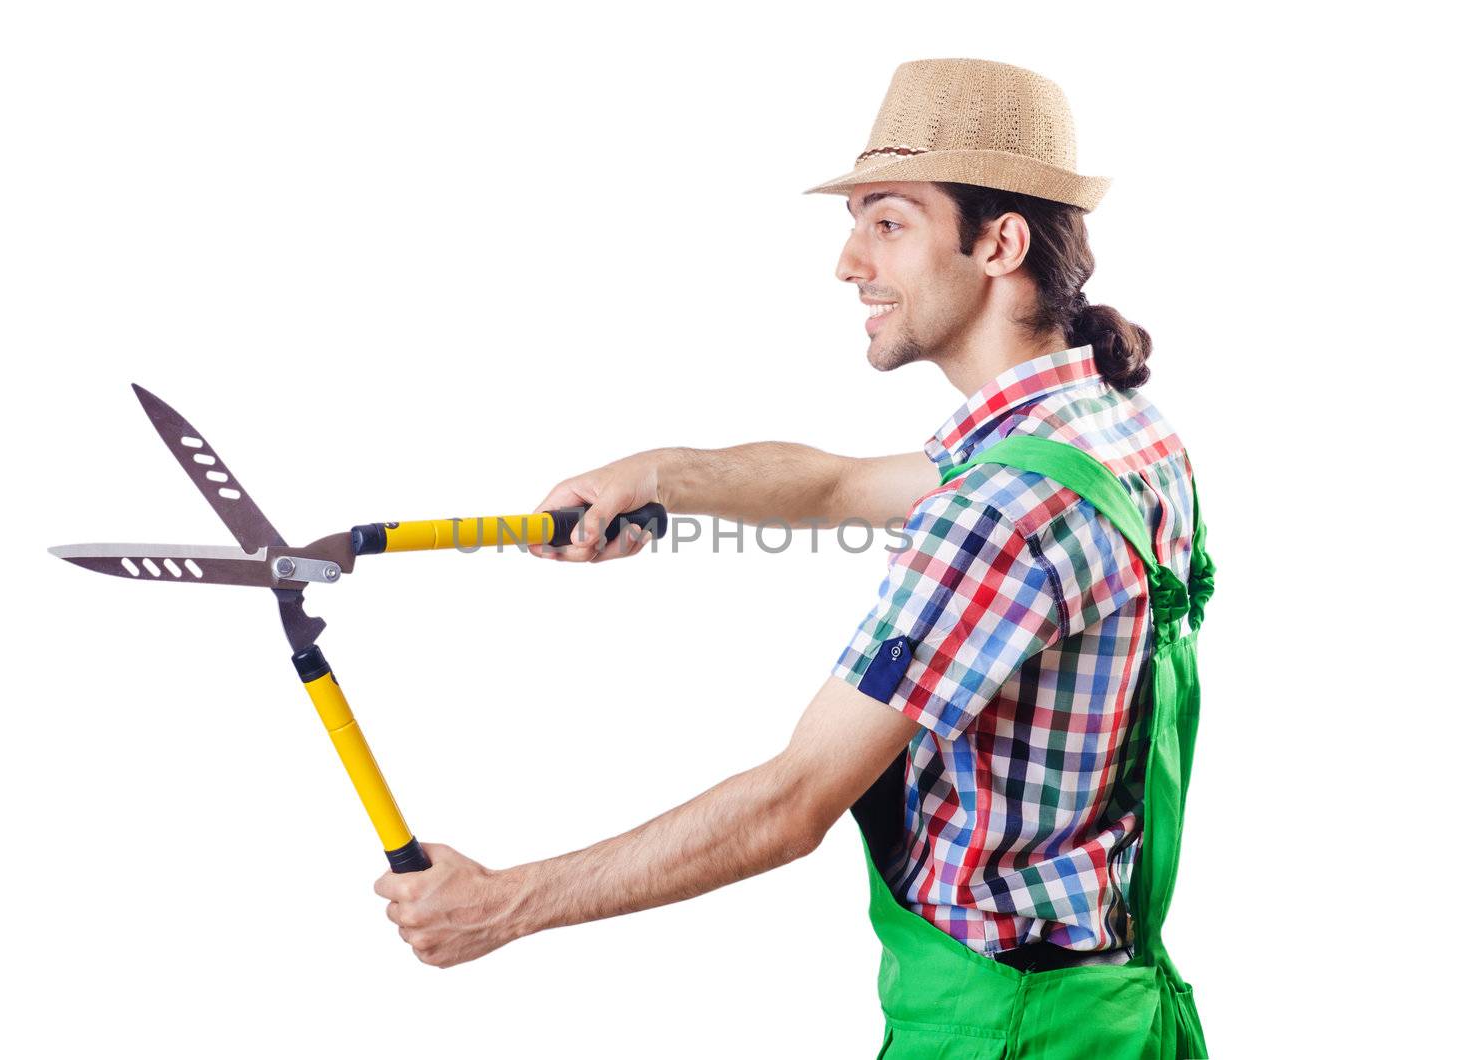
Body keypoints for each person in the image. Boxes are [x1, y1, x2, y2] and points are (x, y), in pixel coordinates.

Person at [374, 58, 1212, 1057]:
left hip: (1006, 1032)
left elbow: (790, 803)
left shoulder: (1004, 507)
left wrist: (502, 904)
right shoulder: (1109, 430)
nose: (850, 261)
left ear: (999, 241)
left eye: (889, 222)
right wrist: (657, 472)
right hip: (1108, 1011)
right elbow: (838, 486)